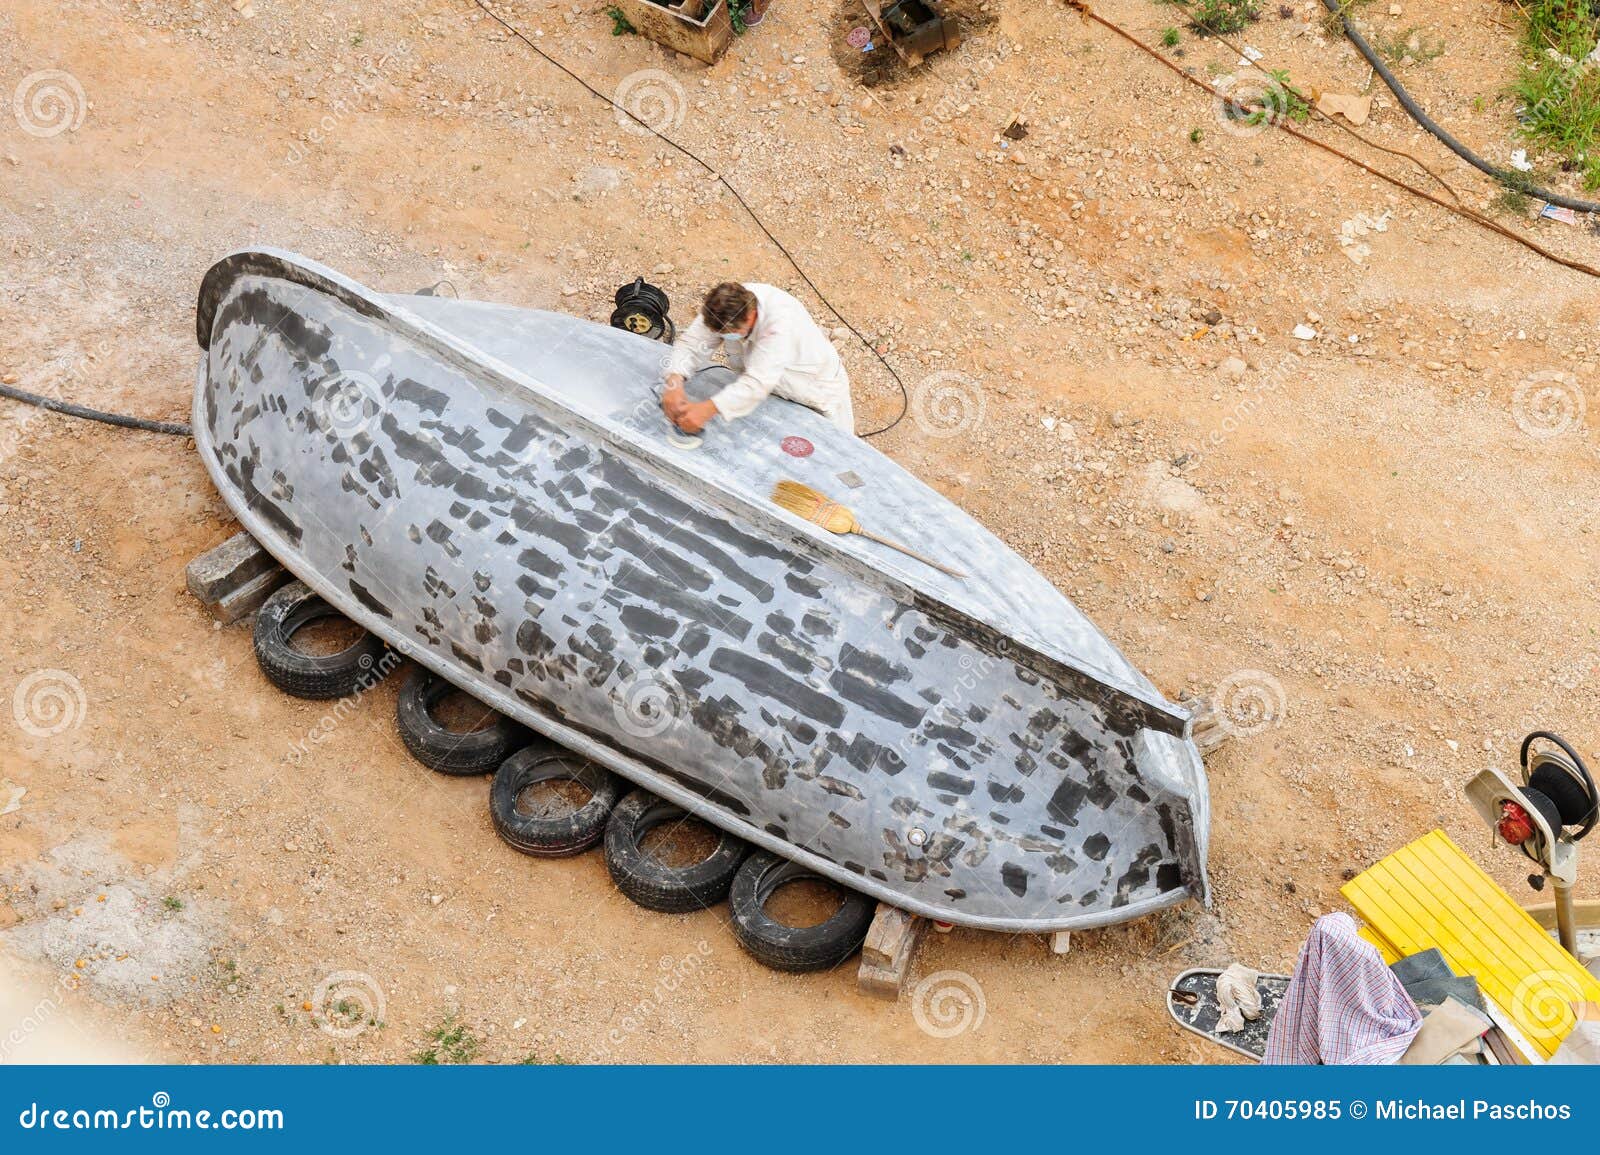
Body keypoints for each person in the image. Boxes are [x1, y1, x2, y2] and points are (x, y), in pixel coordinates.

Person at [660, 282, 855, 436]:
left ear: (750, 316)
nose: (724, 337)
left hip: (814, 390)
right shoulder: (724, 307)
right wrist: (674, 382)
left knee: (828, 449)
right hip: (768, 388)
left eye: (728, 333)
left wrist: (705, 410)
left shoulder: (780, 325)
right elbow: (692, 343)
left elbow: (757, 383)